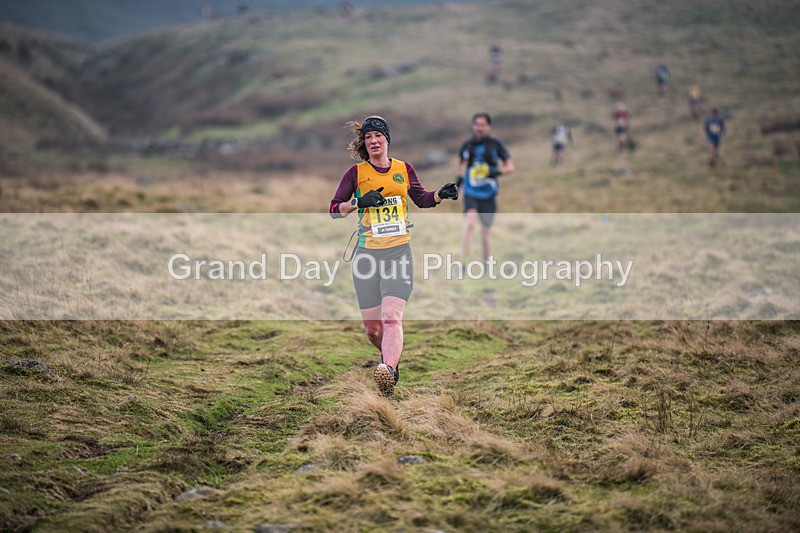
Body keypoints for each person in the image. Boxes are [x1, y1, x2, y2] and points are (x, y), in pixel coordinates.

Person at [330, 116, 458, 396]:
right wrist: (358, 202)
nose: (373, 141)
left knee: (391, 318)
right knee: (374, 330)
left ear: (387, 139)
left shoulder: (403, 169)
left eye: (378, 135)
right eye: (368, 137)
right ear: (364, 143)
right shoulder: (356, 173)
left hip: (399, 253)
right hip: (366, 257)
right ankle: (391, 360)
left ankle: (387, 369)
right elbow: (334, 210)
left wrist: (440, 194)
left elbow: (421, 198)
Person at [456, 112, 514, 261]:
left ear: (489, 126)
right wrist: (458, 184)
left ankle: (486, 265)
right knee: (469, 224)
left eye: (482, 125)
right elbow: (460, 165)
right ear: (472, 126)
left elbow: (510, 167)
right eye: (476, 124)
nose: (479, 128)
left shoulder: (496, 144)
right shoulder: (467, 146)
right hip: (471, 192)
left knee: (485, 235)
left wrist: (494, 172)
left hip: (489, 194)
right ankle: (464, 263)